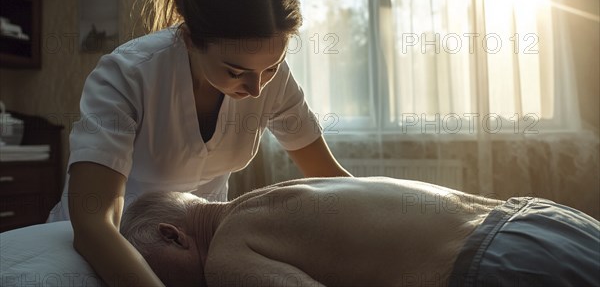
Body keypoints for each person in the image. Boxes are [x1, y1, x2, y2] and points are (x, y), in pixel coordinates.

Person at [47, 0, 351, 285]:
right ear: (191, 40)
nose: (256, 88)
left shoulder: (269, 79)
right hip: (113, 250)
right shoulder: (128, 75)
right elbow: (94, 225)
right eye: (236, 72)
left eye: (272, 67)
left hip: (200, 249)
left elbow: (332, 181)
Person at [121, 177, 600, 287]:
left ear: (173, 235)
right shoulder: (273, 194)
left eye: (146, 272)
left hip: (494, 266)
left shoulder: (226, 253)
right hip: (541, 221)